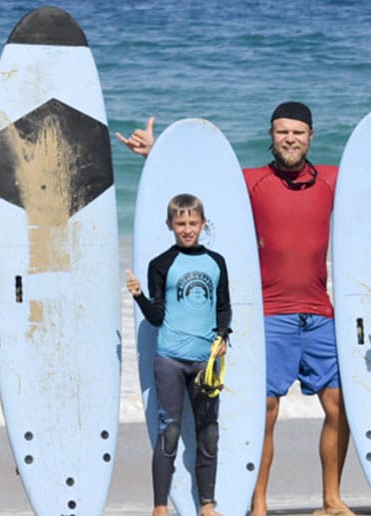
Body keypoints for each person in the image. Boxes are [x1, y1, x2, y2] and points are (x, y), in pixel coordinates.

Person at [117, 103, 371, 515]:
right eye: (282, 132)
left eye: (297, 132)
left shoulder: (334, 181)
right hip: (271, 317)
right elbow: (203, 186)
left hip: (320, 314)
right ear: (271, 135)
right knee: (265, 409)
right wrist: (159, 156)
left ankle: (331, 498)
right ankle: (257, 503)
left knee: (340, 405)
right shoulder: (252, 182)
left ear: (311, 136)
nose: (290, 139)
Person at [126, 193, 231, 516]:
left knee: (208, 432)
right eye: (181, 223)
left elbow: (224, 306)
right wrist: (140, 296)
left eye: (193, 223)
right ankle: (160, 506)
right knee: (169, 431)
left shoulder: (216, 262)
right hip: (169, 358)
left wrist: (223, 335)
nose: (187, 229)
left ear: (202, 223)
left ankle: (208, 505)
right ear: (169, 225)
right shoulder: (161, 263)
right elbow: (156, 317)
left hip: (205, 361)